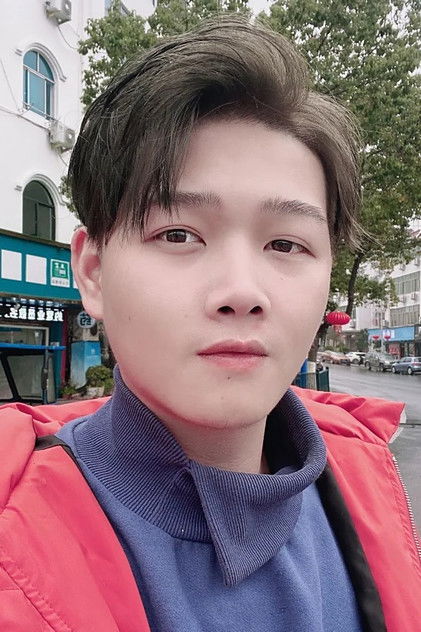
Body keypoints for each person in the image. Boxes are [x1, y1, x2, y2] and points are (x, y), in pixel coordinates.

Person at [0, 17, 420, 632]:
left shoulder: (368, 484)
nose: (241, 292)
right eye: (178, 234)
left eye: (286, 244)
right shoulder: (18, 550)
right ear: (92, 272)